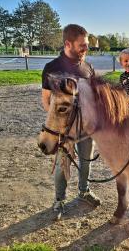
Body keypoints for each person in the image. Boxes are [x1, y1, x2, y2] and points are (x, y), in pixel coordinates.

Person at [41, 24, 101, 213]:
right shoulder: (52, 68)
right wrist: (61, 128)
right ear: (68, 43)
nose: (87, 48)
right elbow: (47, 102)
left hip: (86, 129)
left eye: (87, 44)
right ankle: (59, 200)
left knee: (86, 161)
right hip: (63, 130)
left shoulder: (88, 67)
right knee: (62, 164)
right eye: (82, 45)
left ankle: (84, 191)